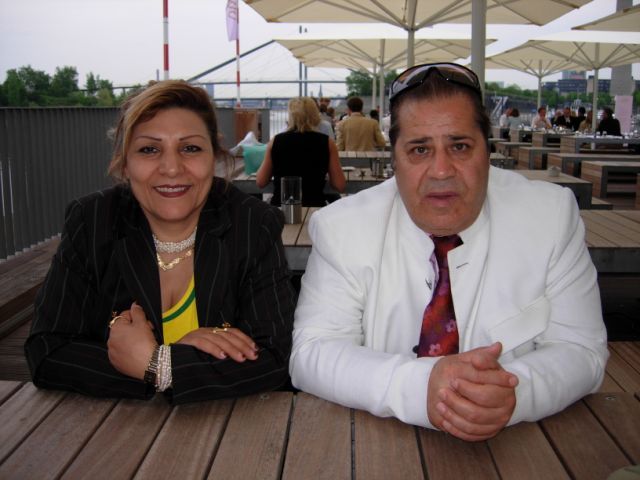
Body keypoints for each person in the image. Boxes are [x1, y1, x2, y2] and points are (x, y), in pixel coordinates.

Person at [290, 63, 608, 442]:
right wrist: (421, 387)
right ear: (394, 160)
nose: (441, 170)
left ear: (487, 151)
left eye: (459, 146)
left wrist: (512, 393)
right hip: (377, 446)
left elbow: (582, 350)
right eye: (420, 149)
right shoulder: (342, 227)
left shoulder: (551, 216)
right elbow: (312, 352)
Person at [25, 80, 296, 403]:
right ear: (125, 163)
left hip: (229, 428)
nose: (171, 168)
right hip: (115, 427)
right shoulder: (92, 221)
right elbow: (47, 350)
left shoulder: (252, 223)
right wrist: (160, 367)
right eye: (149, 150)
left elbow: (274, 357)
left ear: (214, 157)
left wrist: (162, 365)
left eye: (190, 148)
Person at [256, 97, 346, 207]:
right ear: (314, 114)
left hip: (282, 207)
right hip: (314, 207)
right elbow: (340, 185)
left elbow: (261, 181)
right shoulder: (327, 142)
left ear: (291, 116)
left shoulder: (276, 141)